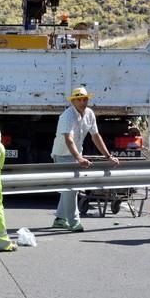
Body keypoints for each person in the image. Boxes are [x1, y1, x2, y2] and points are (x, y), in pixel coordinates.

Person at [51, 87, 119, 231]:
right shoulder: (67, 116)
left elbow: (95, 136)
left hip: (76, 154)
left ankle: (60, 219)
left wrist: (108, 156)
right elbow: (68, 140)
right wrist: (79, 158)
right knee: (72, 188)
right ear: (73, 101)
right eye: (79, 99)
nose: (83, 102)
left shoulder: (89, 114)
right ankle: (74, 221)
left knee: (69, 189)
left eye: (85, 99)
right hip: (62, 154)